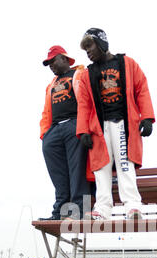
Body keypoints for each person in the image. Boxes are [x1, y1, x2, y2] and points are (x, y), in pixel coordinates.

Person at [77, 28, 155, 220]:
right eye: (85, 49)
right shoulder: (87, 74)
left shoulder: (127, 64)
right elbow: (84, 103)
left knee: (125, 163)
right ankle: (102, 208)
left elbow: (141, 89)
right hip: (99, 128)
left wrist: (147, 117)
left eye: (90, 46)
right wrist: (83, 130)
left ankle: (133, 206)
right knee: (101, 168)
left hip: (124, 124)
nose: (88, 52)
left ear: (102, 43)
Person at [39, 45, 91, 221]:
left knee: (77, 169)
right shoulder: (51, 85)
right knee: (58, 172)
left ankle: (80, 211)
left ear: (64, 58)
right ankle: (60, 211)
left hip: (74, 123)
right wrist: (45, 135)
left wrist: (84, 128)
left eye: (53, 61)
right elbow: (46, 112)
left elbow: (88, 101)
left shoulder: (79, 74)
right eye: (48, 63)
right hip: (54, 129)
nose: (51, 65)